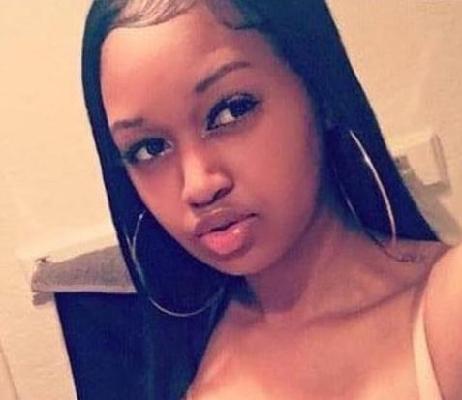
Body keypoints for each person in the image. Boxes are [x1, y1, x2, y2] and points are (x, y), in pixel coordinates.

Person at [56, 0, 462, 399]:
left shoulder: (445, 307)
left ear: (319, 91)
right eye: (149, 148)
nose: (198, 186)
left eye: (231, 111)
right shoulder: (183, 361)